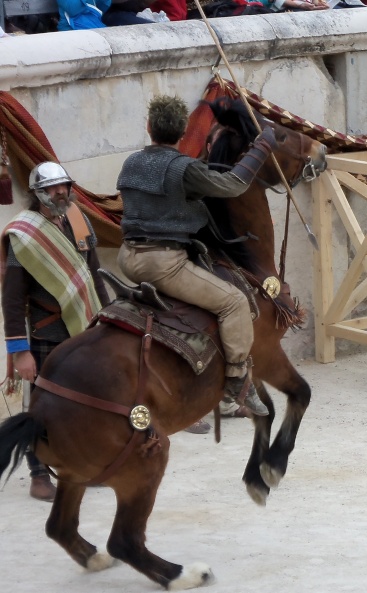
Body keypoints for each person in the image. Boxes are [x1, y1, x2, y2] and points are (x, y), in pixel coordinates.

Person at [116, 95, 276, 418]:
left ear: (148, 128)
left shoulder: (131, 162)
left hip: (127, 257)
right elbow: (232, 185)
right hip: (163, 264)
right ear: (184, 133)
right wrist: (262, 146)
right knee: (234, 302)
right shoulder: (183, 169)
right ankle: (237, 382)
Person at [1, 162, 111, 500]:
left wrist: (107, 317)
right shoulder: (25, 233)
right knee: (42, 409)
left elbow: (94, 272)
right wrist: (19, 351)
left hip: (84, 328)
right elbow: (13, 298)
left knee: (87, 402)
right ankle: (38, 474)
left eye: (64, 186)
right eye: (52, 188)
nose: (61, 192)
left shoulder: (77, 218)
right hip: (46, 334)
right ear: (38, 193)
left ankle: (78, 466)